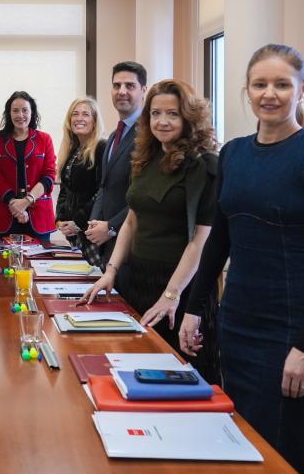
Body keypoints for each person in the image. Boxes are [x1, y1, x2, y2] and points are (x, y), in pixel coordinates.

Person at [181, 44, 304, 474]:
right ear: (247, 90)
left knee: (289, 456)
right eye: (260, 84)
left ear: (302, 89)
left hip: (297, 330)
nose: (269, 94)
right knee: (244, 447)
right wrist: (194, 309)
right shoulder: (234, 154)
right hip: (240, 324)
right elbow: (220, 240)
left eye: (282, 84)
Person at [83, 79, 219, 382]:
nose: (162, 121)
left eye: (172, 114)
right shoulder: (145, 158)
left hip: (180, 286)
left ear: (189, 117)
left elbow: (201, 240)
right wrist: (111, 271)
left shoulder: (205, 165)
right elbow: (132, 219)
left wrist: (171, 295)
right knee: (133, 372)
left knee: (179, 382)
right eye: (155, 114)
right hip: (137, 278)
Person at [86, 62, 147, 269]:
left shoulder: (150, 135)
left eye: (130, 86)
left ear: (143, 91)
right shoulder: (113, 137)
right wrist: (94, 222)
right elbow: (104, 186)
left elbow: (144, 196)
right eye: (116, 85)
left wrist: (111, 227)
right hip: (108, 246)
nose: (122, 91)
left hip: (134, 246)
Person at [0, 91, 57, 241]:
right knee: (5, 262)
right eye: (15, 110)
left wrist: (27, 201)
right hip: (6, 214)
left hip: (39, 216)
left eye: (25, 110)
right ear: (8, 113)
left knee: (39, 263)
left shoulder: (45, 139)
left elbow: (49, 175)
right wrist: (14, 204)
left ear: (32, 112)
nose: (20, 115)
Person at [55, 96, 106, 247]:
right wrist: (60, 219)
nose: (79, 118)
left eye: (85, 114)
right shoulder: (72, 150)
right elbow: (65, 189)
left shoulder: (101, 148)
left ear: (95, 121)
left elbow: (101, 192)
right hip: (73, 235)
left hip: (92, 232)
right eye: (75, 114)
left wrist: (78, 222)